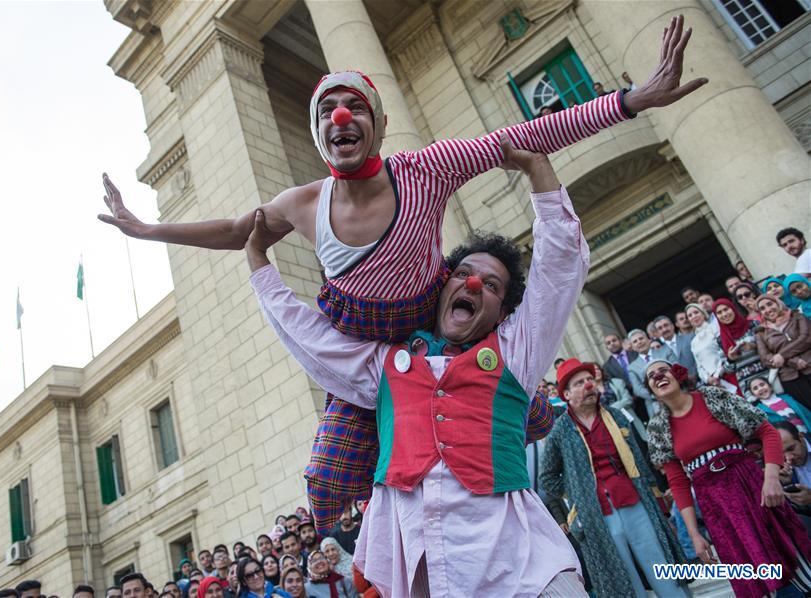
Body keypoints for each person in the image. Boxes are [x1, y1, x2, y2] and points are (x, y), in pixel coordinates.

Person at [99, 16, 705, 531]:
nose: (340, 116)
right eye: (327, 111)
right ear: (318, 133)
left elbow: (525, 136)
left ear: (378, 125)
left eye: (354, 107)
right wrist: (148, 230)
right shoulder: (302, 203)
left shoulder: (426, 169)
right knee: (328, 484)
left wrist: (630, 101)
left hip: (434, 328)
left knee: (527, 409)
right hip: (362, 352)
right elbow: (238, 231)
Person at [248, 149, 586, 595]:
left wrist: (537, 169)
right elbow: (308, 336)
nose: (472, 284)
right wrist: (258, 260)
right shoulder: (384, 365)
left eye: (490, 285)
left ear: (503, 312)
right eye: (463, 273)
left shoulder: (515, 352)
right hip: (419, 565)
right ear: (443, 286)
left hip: (523, 563)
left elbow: (558, 270)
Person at [645, 359, 811, 597]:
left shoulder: (712, 397)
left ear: (677, 375)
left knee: (789, 555)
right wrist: (694, 534)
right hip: (717, 507)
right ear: (650, 389)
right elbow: (678, 482)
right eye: (651, 375)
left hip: (751, 487)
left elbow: (767, 432)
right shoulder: (657, 428)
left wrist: (771, 478)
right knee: (755, 575)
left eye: (663, 370)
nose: (658, 376)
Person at [541, 358, 688, 598]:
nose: (588, 385)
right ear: (566, 395)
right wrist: (578, 490)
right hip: (596, 515)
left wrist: (657, 498)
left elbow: (639, 460)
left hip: (634, 500)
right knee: (622, 579)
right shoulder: (560, 431)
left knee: (660, 566)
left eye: (590, 379)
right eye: (579, 383)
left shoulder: (616, 415)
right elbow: (547, 479)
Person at [756, 295, 811, 409]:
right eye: (762, 308)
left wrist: (782, 355)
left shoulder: (797, 316)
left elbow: (806, 338)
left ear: (778, 303)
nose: (768, 309)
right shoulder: (761, 332)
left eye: (770, 304)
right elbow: (765, 358)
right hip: (790, 378)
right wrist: (792, 361)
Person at [715, 298, 764, 394]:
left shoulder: (753, 324)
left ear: (733, 309)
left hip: (767, 374)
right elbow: (728, 370)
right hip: (747, 386)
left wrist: (754, 346)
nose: (724, 314)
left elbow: (770, 345)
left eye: (726, 309)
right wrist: (730, 359)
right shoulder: (720, 340)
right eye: (719, 312)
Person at [627, 328, 677, 419]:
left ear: (648, 340)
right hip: (655, 404)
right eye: (635, 341)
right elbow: (637, 389)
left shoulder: (666, 351)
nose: (639, 342)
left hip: (676, 394)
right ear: (633, 347)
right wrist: (656, 395)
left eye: (641, 338)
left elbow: (676, 370)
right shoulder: (632, 367)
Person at [686, 303, 736, 392]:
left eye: (696, 312)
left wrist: (718, 374)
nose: (694, 316)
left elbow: (724, 351)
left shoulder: (716, 328)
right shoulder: (693, 342)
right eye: (690, 315)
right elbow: (699, 365)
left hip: (728, 373)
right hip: (713, 383)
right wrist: (707, 378)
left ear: (703, 313)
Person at [654, 315, 697, 380]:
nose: (664, 329)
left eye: (666, 325)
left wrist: (694, 375)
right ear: (657, 332)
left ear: (672, 325)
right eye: (660, 328)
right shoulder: (658, 354)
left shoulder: (690, 338)